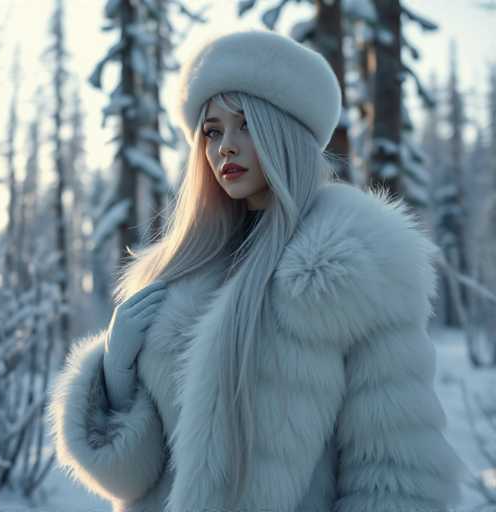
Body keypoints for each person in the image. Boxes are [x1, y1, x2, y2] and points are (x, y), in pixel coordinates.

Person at [47, 29, 469, 512]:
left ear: (284, 131)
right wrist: (115, 376)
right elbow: (132, 481)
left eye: (246, 124)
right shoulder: (178, 274)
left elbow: (397, 475)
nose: (225, 147)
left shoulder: (355, 268)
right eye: (212, 131)